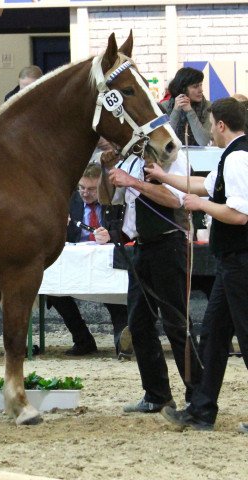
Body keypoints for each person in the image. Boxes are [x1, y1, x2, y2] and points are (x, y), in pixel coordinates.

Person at [144, 97, 248, 433]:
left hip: (241, 263)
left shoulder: (238, 159)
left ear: (220, 125)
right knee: (213, 336)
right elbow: (202, 185)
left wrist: (200, 205)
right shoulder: (230, 156)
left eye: (210, 123)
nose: (208, 131)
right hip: (230, 265)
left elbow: (239, 214)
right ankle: (202, 410)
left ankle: (202, 409)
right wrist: (162, 175)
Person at [99, 143, 202, 414]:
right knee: (139, 323)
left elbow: (175, 199)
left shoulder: (172, 157)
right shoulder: (130, 160)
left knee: (177, 322)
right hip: (141, 246)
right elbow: (107, 198)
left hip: (169, 244)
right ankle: (157, 394)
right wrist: (106, 168)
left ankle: (198, 394)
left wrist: (132, 181)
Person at [46, 163, 130, 357]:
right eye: (81, 188)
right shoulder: (69, 200)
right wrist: (59, 224)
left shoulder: (114, 200)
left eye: (91, 189)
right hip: (74, 261)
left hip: (107, 260)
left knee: (113, 293)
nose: (85, 193)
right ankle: (82, 338)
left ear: (101, 187)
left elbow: (128, 231)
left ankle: (122, 340)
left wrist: (111, 235)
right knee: (54, 290)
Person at [160, 67, 211, 146]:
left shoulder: (207, 107)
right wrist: (176, 111)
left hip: (200, 156)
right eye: (195, 86)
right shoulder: (165, 106)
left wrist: (190, 112)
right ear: (183, 89)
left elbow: (204, 141)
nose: (201, 90)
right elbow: (164, 140)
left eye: (201, 85)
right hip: (174, 156)